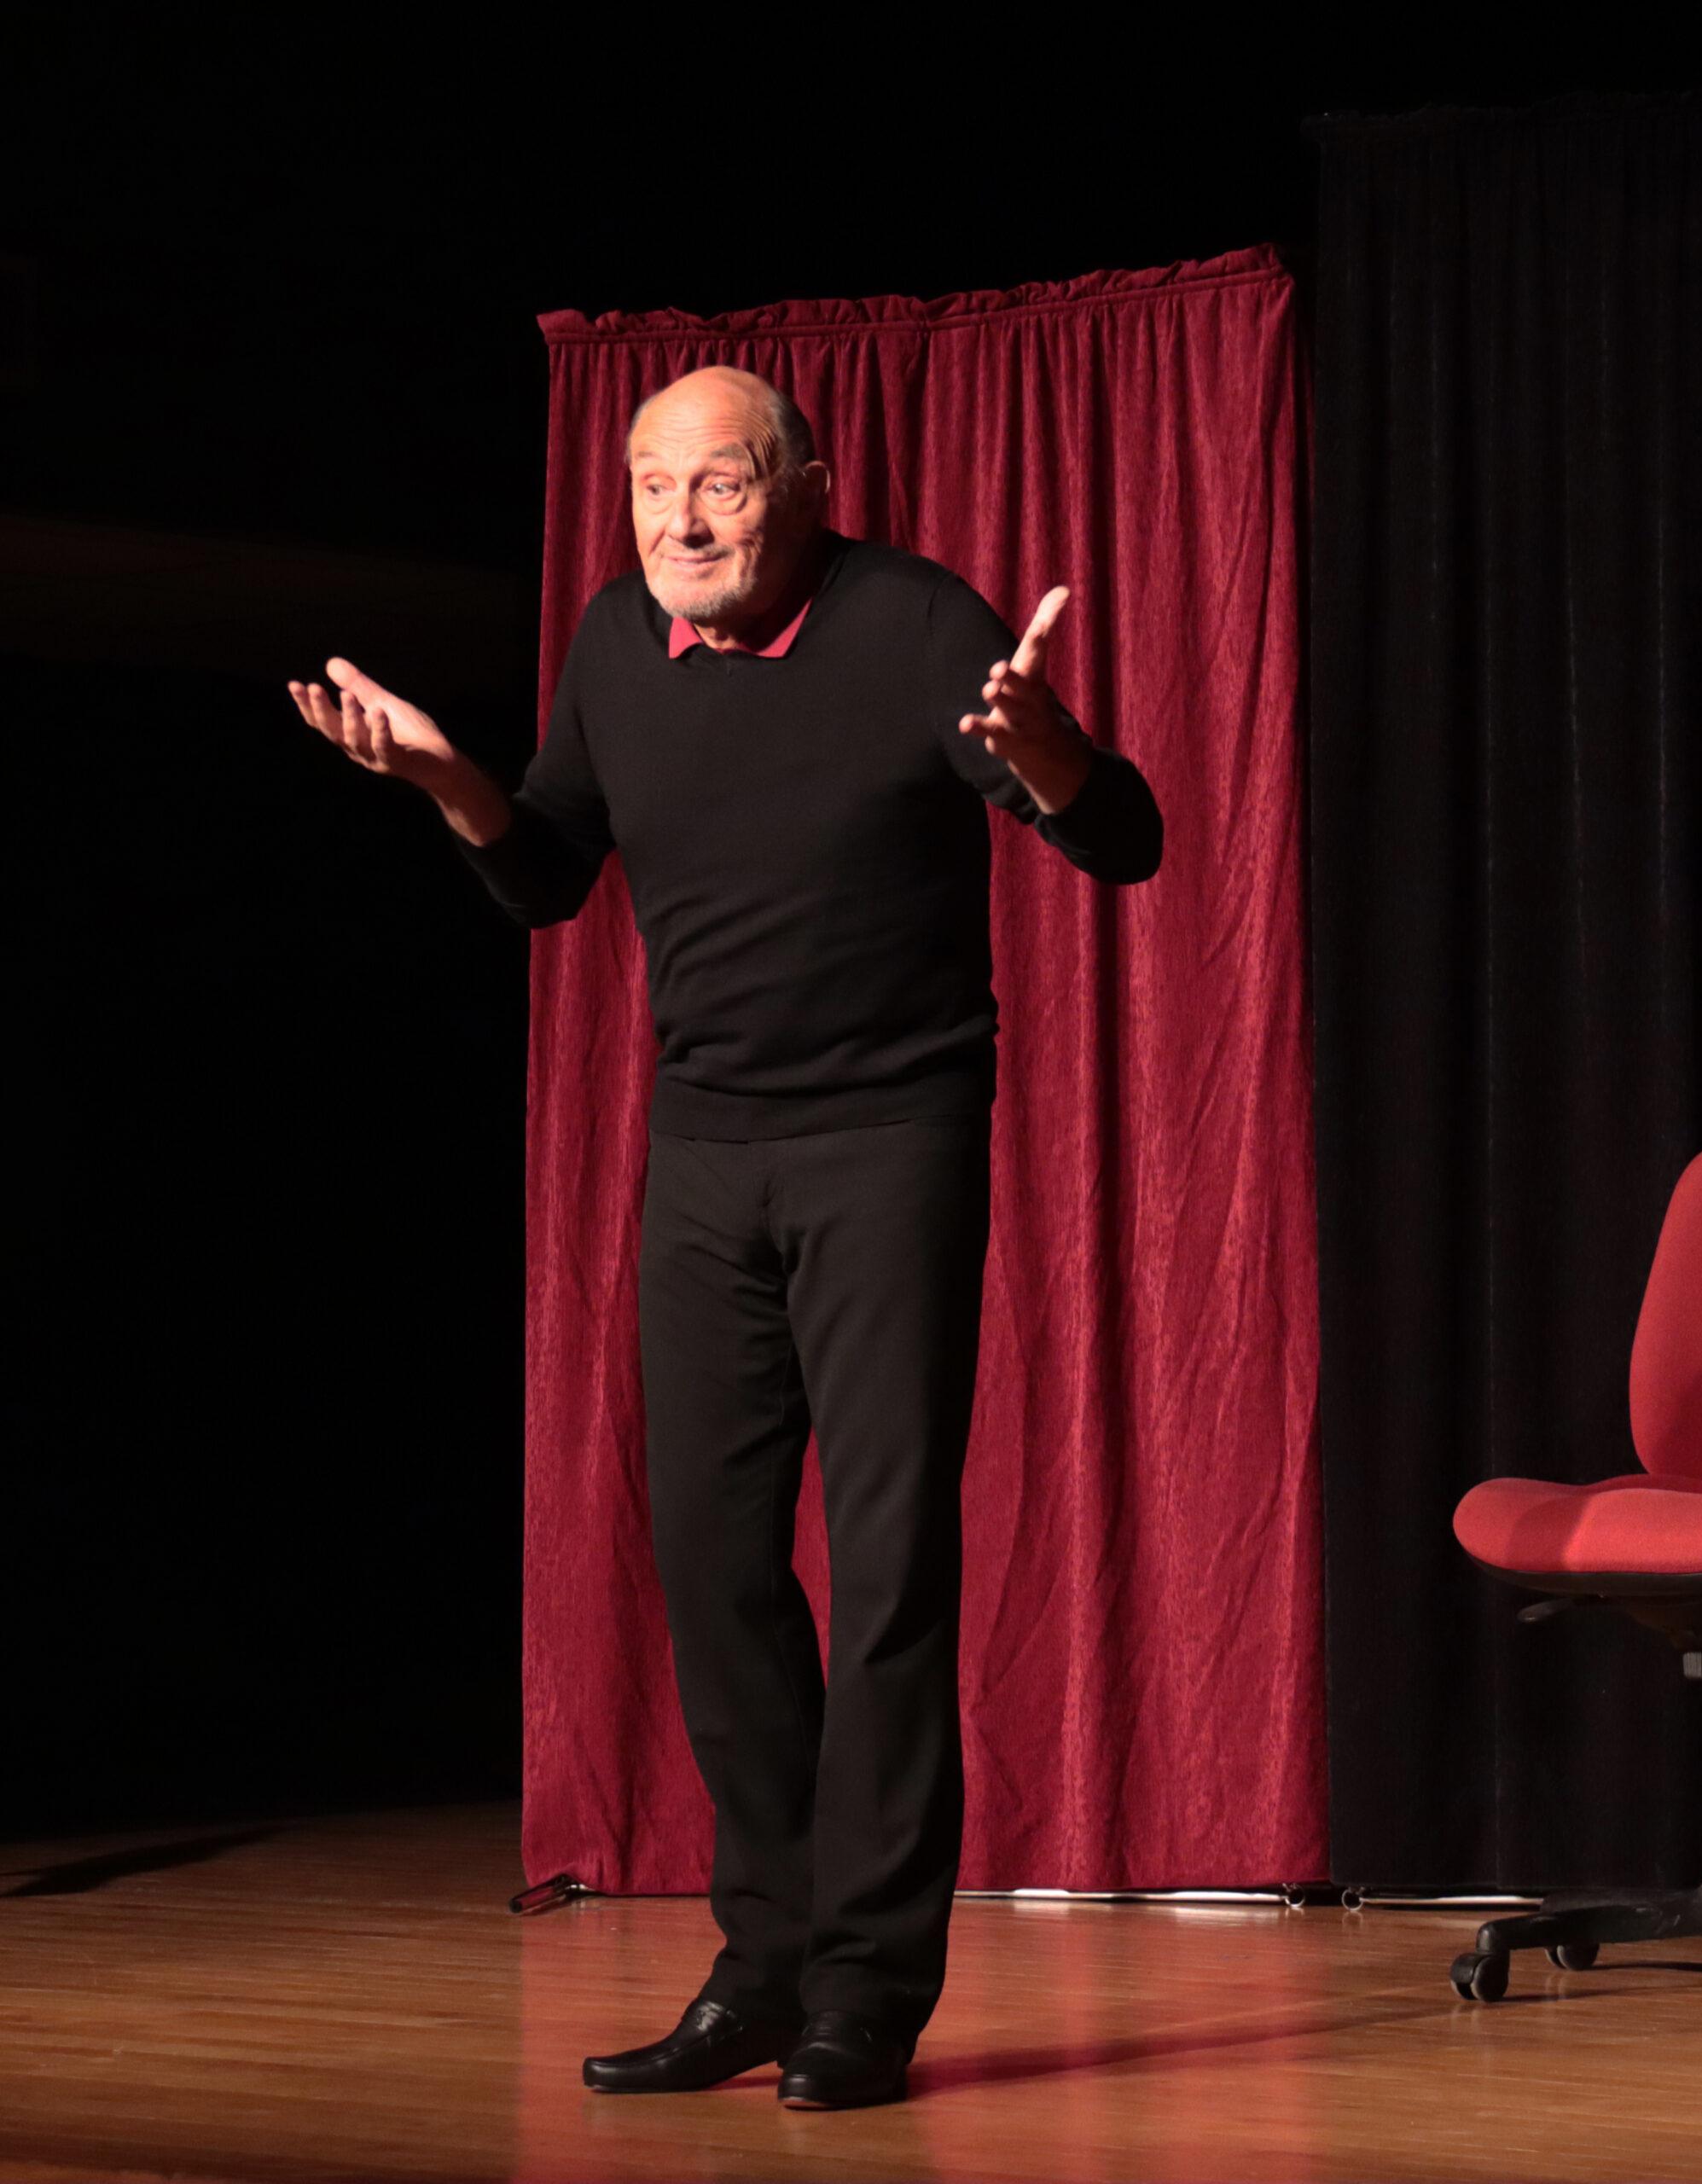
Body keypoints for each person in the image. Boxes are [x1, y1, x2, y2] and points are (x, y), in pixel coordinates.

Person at [287, 364, 1162, 2109]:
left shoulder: (916, 624)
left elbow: (1120, 840)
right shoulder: (615, 643)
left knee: (890, 1575)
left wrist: (1051, 755)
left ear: (807, 484)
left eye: (723, 485)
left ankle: (867, 1988)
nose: (681, 521)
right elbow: (547, 873)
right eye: (649, 487)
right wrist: (452, 776)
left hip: (890, 1141)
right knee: (711, 1570)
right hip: (703, 1155)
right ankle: (762, 1961)